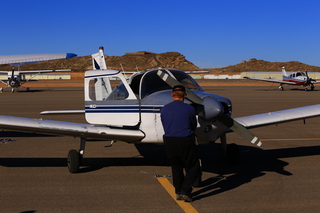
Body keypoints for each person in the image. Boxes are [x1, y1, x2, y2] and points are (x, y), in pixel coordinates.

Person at [160, 85, 201, 202]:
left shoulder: (164, 108)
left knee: (176, 167)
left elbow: (164, 123)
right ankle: (185, 191)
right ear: (185, 95)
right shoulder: (189, 109)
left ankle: (178, 191)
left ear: (172, 95)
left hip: (169, 140)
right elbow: (193, 125)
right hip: (185, 140)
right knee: (193, 166)